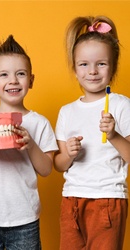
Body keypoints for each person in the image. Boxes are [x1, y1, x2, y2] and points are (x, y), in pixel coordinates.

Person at [0, 35, 58, 250]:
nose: (13, 80)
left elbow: (46, 170)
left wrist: (30, 144)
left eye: (20, 74)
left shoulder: (39, 123)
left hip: (25, 218)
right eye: (4, 74)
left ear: (31, 80)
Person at [54, 15, 130, 250]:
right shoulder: (66, 112)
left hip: (108, 198)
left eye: (101, 64)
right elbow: (59, 164)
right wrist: (70, 154)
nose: (93, 71)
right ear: (75, 69)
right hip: (72, 199)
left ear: (113, 66)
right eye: (84, 64)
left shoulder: (122, 105)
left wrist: (115, 135)